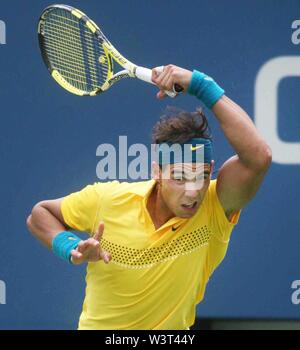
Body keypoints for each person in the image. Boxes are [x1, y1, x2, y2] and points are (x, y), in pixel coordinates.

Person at [26, 65, 272, 330]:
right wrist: (70, 248)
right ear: (156, 170)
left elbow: (259, 157)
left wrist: (200, 85)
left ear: (210, 171)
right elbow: (40, 214)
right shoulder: (106, 199)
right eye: (179, 177)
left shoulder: (215, 207)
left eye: (200, 176)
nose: (192, 191)